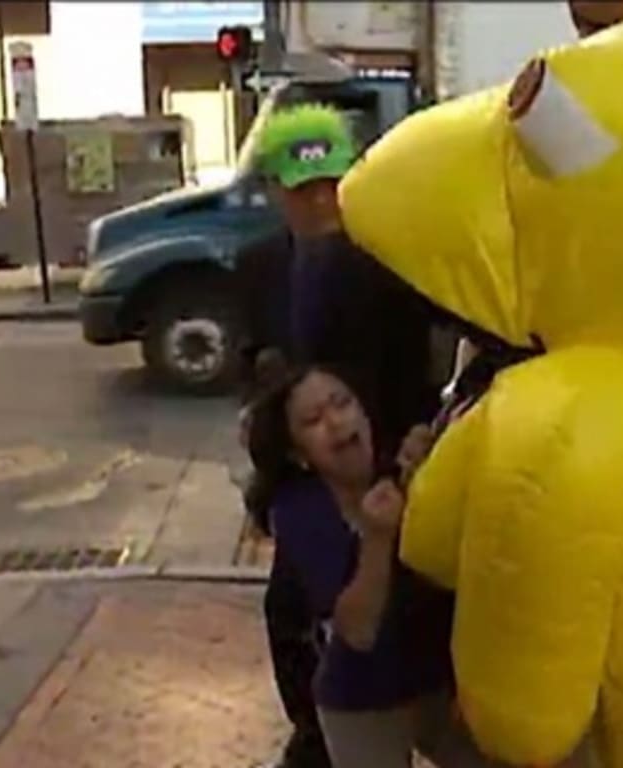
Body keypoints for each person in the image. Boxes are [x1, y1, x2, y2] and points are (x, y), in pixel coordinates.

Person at [239, 103, 444, 768]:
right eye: (305, 191)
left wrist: (418, 441)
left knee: (400, 608)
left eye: (334, 183)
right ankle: (316, 736)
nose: (324, 201)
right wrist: (264, 488)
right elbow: (264, 375)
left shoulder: (387, 258)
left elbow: (436, 351)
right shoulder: (262, 264)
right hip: (308, 476)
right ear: (276, 193)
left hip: (391, 467)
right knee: (291, 612)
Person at [247, 364, 487, 767]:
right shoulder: (299, 510)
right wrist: (378, 538)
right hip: (359, 698)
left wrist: (439, 467)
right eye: (314, 420)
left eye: (342, 403)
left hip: (439, 682)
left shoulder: (403, 461)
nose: (336, 422)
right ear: (298, 454)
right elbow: (358, 631)